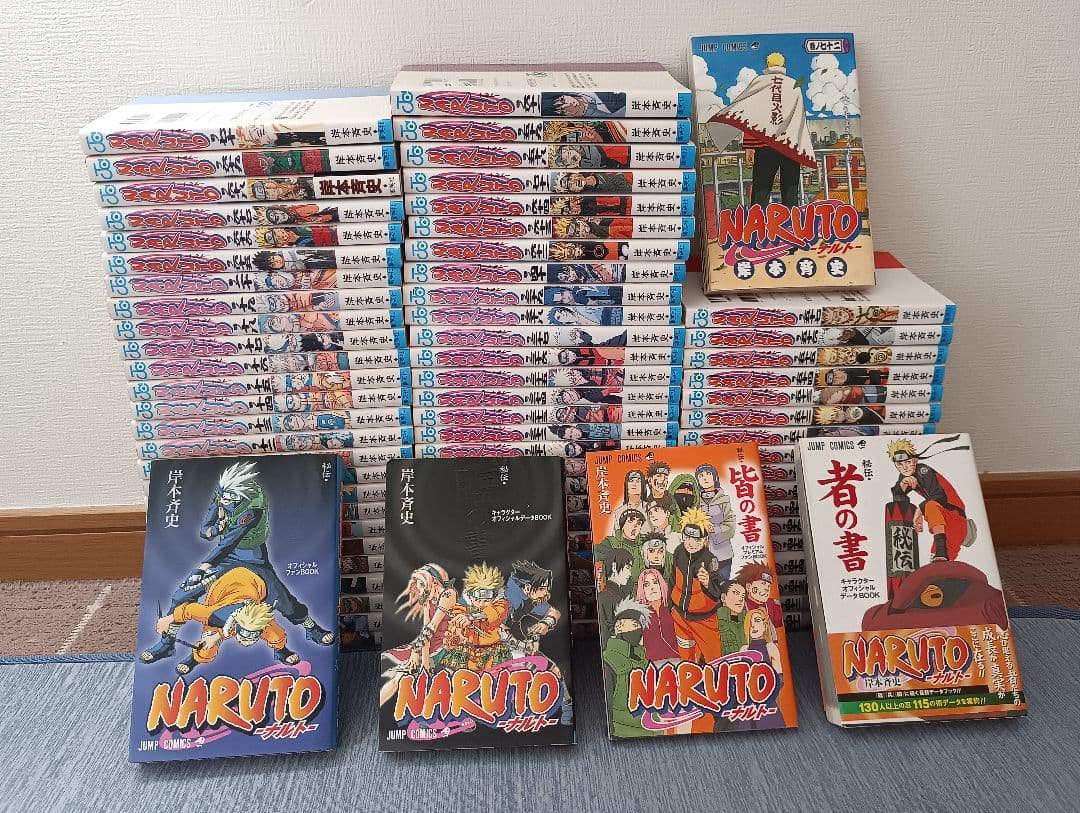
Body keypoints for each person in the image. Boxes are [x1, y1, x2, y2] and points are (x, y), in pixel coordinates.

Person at [709, 51, 817, 207]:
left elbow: (749, 115)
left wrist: (749, 145)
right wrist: (803, 151)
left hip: (764, 146)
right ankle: (791, 222)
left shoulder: (759, 82)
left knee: (761, 191)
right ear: (783, 65)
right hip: (790, 147)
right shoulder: (793, 85)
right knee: (790, 193)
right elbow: (798, 120)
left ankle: (757, 222)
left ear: (768, 64)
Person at [888, 438, 974, 562]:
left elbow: (939, 496)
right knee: (937, 562)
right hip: (940, 523)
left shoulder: (923, 471)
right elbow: (898, 499)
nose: (904, 467)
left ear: (915, 460)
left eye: (908, 462)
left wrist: (919, 510)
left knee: (931, 506)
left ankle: (941, 552)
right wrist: (902, 484)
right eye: (899, 464)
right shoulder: (906, 475)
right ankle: (940, 553)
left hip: (955, 516)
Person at [441, 563, 512, 671]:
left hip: (492, 654)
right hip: (470, 653)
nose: (481, 604)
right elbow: (456, 614)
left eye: (486, 600)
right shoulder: (463, 608)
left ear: (494, 596)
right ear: (470, 597)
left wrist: (470, 617)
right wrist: (457, 628)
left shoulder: (500, 605)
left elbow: (495, 612)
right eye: (478, 600)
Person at [601, 597, 651, 738]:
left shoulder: (642, 660)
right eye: (634, 624)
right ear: (619, 626)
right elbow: (608, 703)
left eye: (640, 627)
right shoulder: (609, 661)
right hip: (622, 731)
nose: (638, 630)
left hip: (650, 729)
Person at [695, 464, 736, 577]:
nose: (705, 478)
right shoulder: (696, 501)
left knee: (723, 582)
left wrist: (715, 529)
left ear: (715, 477)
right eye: (701, 476)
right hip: (701, 554)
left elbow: (731, 524)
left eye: (708, 474)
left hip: (723, 552)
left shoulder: (724, 500)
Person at [636, 567, 679, 663]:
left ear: (662, 585)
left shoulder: (673, 608)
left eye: (655, 582)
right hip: (652, 664)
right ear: (642, 590)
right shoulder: (639, 614)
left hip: (678, 660)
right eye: (646, 585)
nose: (652, 588)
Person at [595, 548, 635, 640]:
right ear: (614, 566)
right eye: (627, 568)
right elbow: (607, 632)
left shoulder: (619, 594)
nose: (629, 573)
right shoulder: (606, 597)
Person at [735, 562, 784, 629]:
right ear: (748, 586)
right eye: (763, 584)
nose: (767, 589)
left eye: (769, 586)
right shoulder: (738, 606)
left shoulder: (773, 605)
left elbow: (779, 630)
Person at [716, 580, 748, 655]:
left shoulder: (748, 618)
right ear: (723, 598)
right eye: (736, 593)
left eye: (742, 596)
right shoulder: (714, 619)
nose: (740, 599)